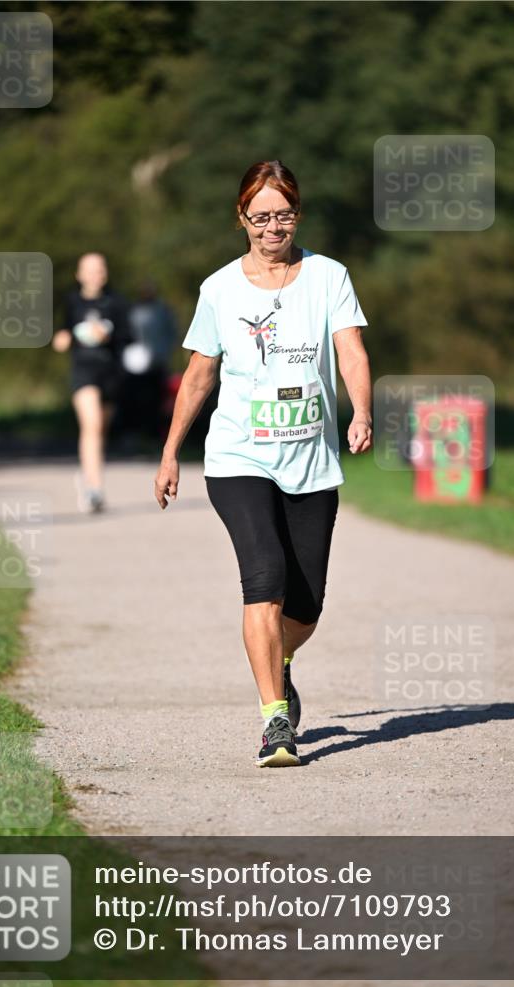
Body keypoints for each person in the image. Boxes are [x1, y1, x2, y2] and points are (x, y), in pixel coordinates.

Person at [154, 160, 373, 768]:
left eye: (284, 214)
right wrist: (171, 451)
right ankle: (275, 722)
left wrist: (361, 410)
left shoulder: (328, 276)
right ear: (241, 218)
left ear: (297, 214)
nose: (273, 227)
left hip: (311, 460)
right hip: (238, 456)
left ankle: (282, 658)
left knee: (306, 606)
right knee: (264, 579)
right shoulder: (220, 289)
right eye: (261, 217)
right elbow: (200, 375)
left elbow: (351, 351)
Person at [53, 253, 130, 513]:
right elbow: (63, 331)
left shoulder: (116, 302)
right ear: (79, 275)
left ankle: (87, 474)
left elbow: (128, 337)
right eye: (89, 270)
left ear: (105, 274)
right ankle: (94, 490)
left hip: (110, 373)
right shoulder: (71, 302)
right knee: (92, 425)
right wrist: (62, 338)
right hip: (83, 371)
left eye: (99, 270)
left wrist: (108, 336)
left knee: (100, 431)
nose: (95, 275)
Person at [121, 280, 177, 444]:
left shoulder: (163, 311)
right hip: (136, 364)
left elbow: (171, 334)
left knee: (157, 399)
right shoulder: (133, 310)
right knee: (135, 398)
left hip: (158, 362)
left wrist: (164, 352)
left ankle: (155, 434)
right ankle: (136, 432)